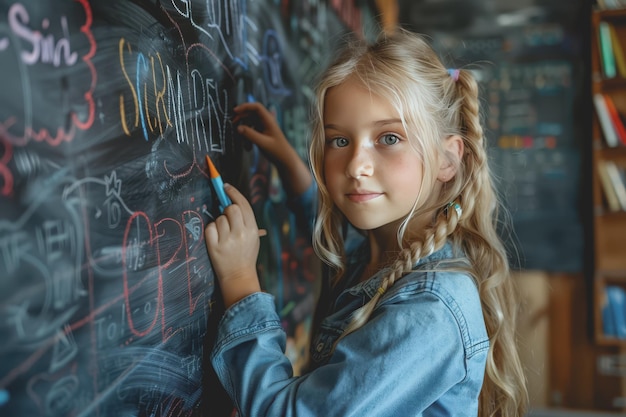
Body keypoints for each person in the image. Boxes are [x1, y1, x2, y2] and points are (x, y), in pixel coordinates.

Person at [204, 29, 528, 416]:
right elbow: (345, 236)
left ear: (447, 159)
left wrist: (239, 281)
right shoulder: (386, 251)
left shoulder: (428, 310)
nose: (356, 166)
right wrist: (291, 165)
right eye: (339, 141)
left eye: (389, 138)